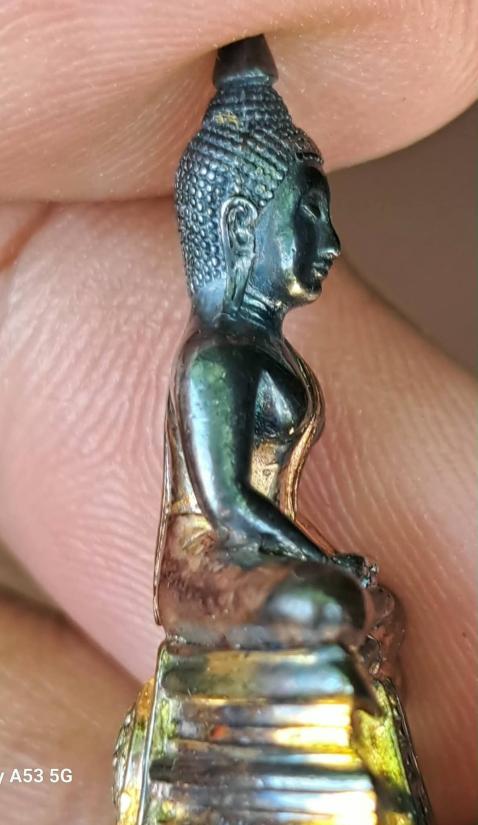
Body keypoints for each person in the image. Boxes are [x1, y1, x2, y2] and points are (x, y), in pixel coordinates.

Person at [0, 4, 475, 825]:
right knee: (326, 605)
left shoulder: (266, 352)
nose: (330, 239)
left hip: (264, 555)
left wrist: (332, 564)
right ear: (239, 223)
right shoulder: (215, 359)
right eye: (310, 213)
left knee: (378, 609)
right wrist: (321, 560)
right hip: (208, 571)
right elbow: (225, 507)